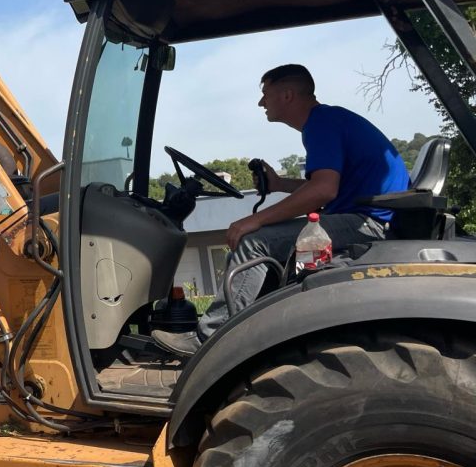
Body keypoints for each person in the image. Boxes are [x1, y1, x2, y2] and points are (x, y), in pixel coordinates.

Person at [152, 64, 410, 358]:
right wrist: (278, 184)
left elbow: (324, 190)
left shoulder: (321, 123)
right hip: (365, 217)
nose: (261, 102)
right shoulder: (329, 121)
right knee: (264, 237)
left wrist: (255, 219)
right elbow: (325, 183)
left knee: (254, 240)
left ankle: (209, 341)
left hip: (369, 224)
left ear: (287, 95)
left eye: (265, 94)